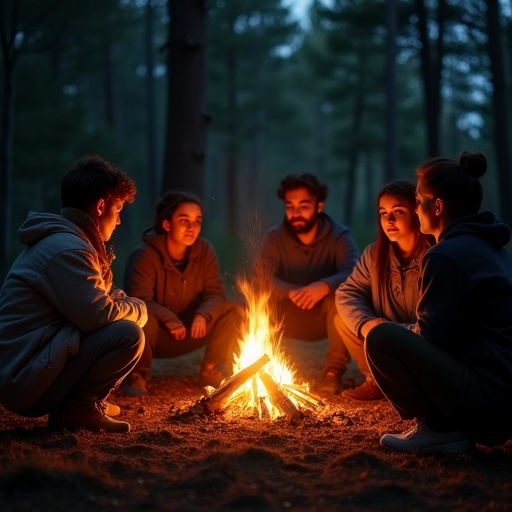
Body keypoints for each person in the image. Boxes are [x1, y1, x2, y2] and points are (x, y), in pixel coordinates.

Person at [365, 151, 512, 454]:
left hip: (487, 403)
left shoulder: (446, 255)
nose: (415, 209)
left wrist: (399, 330)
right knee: (395, 332)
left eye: (418, 202)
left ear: (438, 207)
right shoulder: (490, 247)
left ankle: (439, 429)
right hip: (503, 396)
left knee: (380, 337)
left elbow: (434, 338)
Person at [0, 155, 148, 433]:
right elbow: (99, 314)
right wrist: (140, 308)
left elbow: (105, 296)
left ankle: (85, 402)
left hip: (33, 366)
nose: (118, 222)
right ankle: (77, 408)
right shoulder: (69, 250)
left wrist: (119, 302)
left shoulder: (76, 244)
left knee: (120, 327)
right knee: (128, 335)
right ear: (101, 206)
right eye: (117, 210)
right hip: (23, 380)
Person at [122, 190, 241, 395]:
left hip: (191, 329)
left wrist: (203, 315)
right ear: (167, 224)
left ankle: (212, 369)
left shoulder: (205, 251)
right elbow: (138, 300)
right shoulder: (143, 256)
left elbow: (215, 293)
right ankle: (137, 375)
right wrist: (168, 318)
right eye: (184, 220)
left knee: (234, 310)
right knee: (142, 315)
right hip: (155, 337)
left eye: (197, 221)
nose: (191, 227)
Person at [254, 173, 359, 394]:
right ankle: (262, 372)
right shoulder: (275, 237)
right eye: (290, 206)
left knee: (343, 300)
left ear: (319, 206)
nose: (296, 213)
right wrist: (290, 291)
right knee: (253, 303)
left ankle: (333, 374)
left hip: (325, 317)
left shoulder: (339, 235)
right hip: (287, 316)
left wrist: (322, 286)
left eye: (304, 205)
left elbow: (353, 271)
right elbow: (261, 277)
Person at [335, 180, 433, 401]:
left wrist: (391, 332)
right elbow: (347, 293)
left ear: (417, 212)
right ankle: (378, 380)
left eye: (398, 211)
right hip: (385, 340)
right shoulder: (375, 255)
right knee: (342, 319)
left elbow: (436, 324)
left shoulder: (435, 256)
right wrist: (368, 324)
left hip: (424, 345)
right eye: (383, 212)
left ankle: (418, 386)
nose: (388, 220)